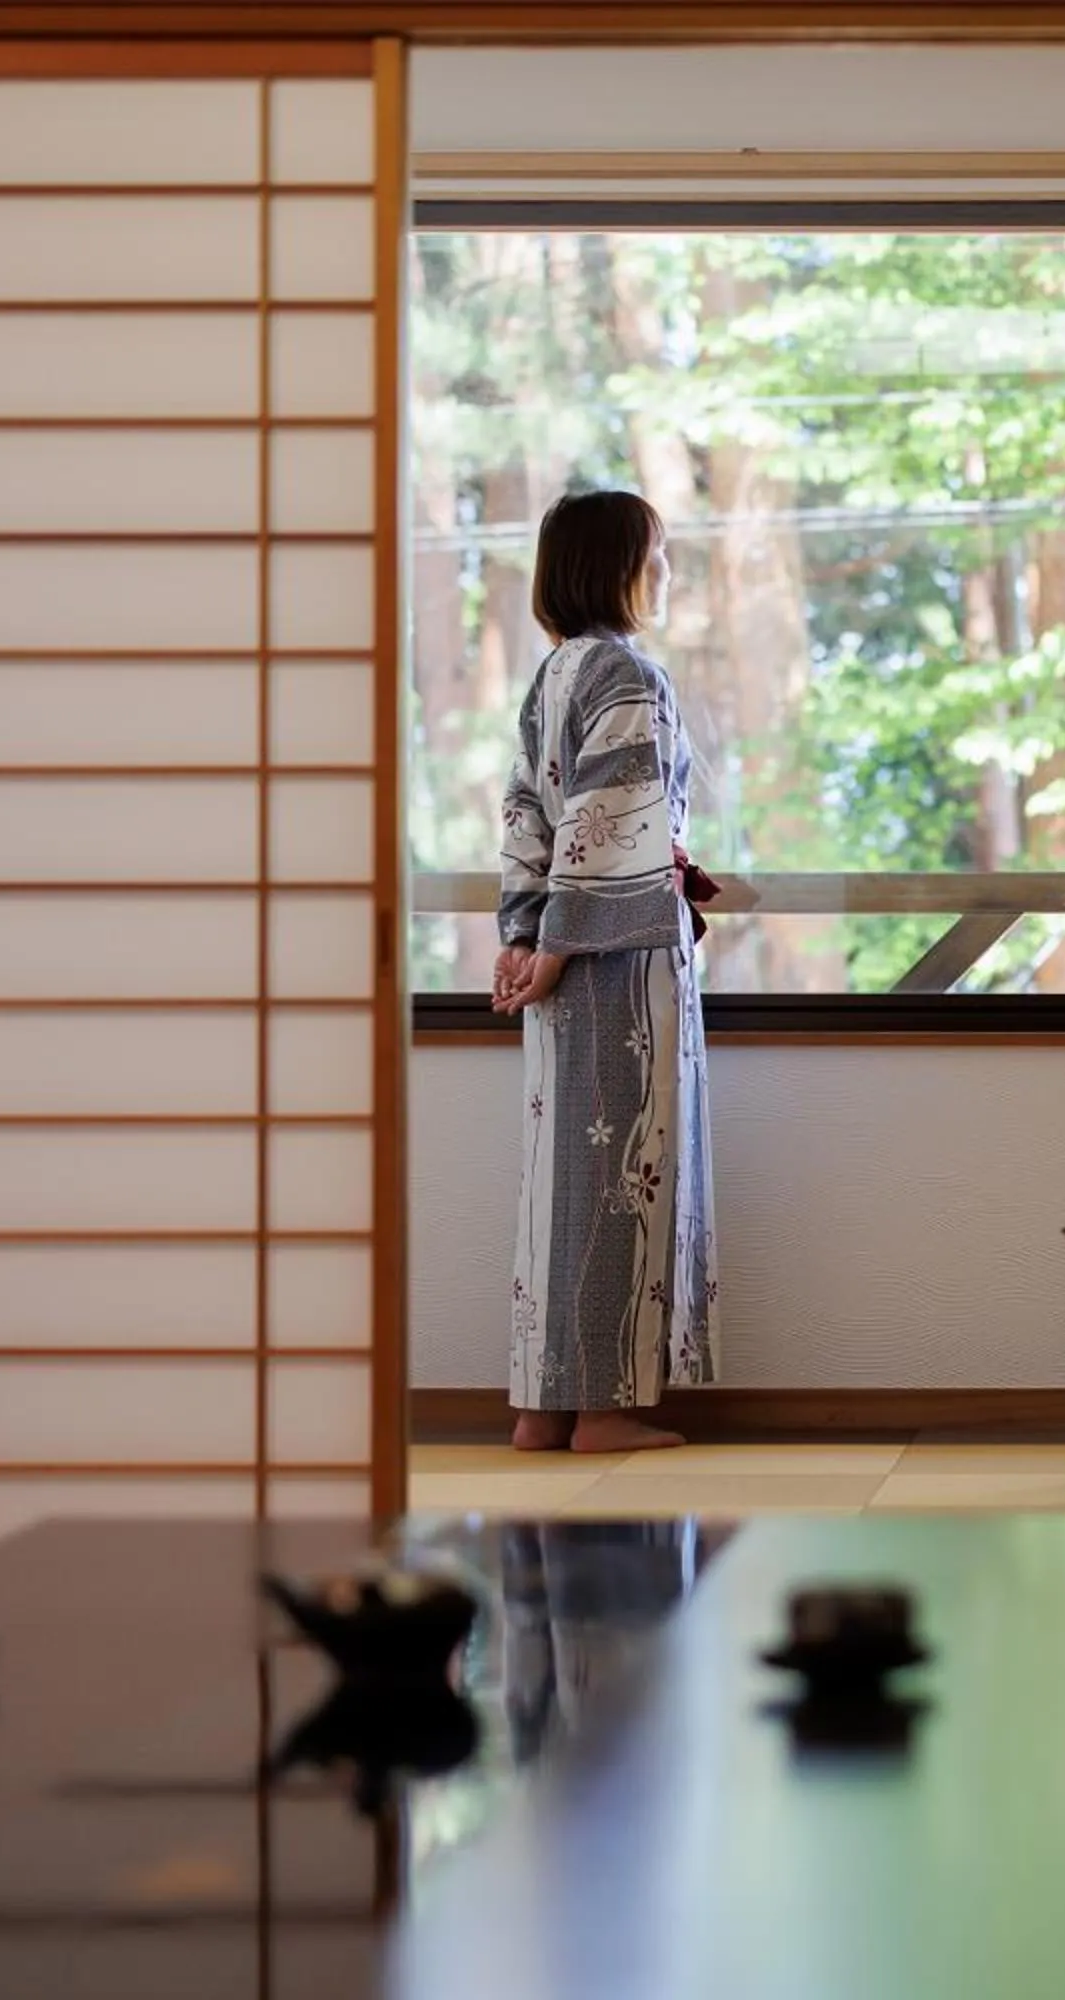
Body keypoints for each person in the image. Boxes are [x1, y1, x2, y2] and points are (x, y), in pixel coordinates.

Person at [492, 489, 718, 1453]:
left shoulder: (551, 675)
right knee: (628, 1173)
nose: (664, 573)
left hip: (563, 953)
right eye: (655, 555)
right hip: (614, 963)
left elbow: (526, 820)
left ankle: (541, 1408)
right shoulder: (627, 672)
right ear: (616, 566)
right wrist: (553, 950)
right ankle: (603, 1412)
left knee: (563, 1183)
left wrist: (522, 931)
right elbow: (607, 824)